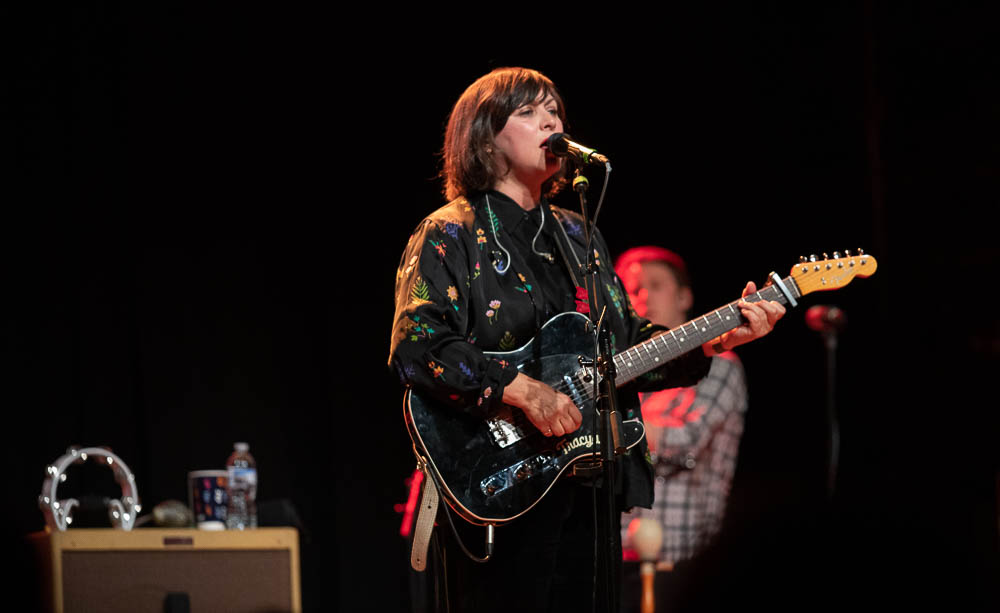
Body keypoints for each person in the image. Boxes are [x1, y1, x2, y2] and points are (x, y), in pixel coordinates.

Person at [388, 67, 785, 613]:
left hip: (589, 480)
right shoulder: (450, 230)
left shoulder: (580, 234)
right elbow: (418, 345)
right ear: (485, 137)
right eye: (528, 112)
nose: (550, 122)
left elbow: (625, 348)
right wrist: (524, 391)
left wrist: (718, 339)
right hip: (499, 481)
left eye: (554, 111)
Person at [616, 246, 749, 578]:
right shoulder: (621, 372)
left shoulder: (719, 365)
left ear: (684, 297)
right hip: (618, 555)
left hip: (684, 560)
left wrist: (608, 426)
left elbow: (687, 438)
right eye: (633, 289)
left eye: (656, 285)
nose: (643, 296)